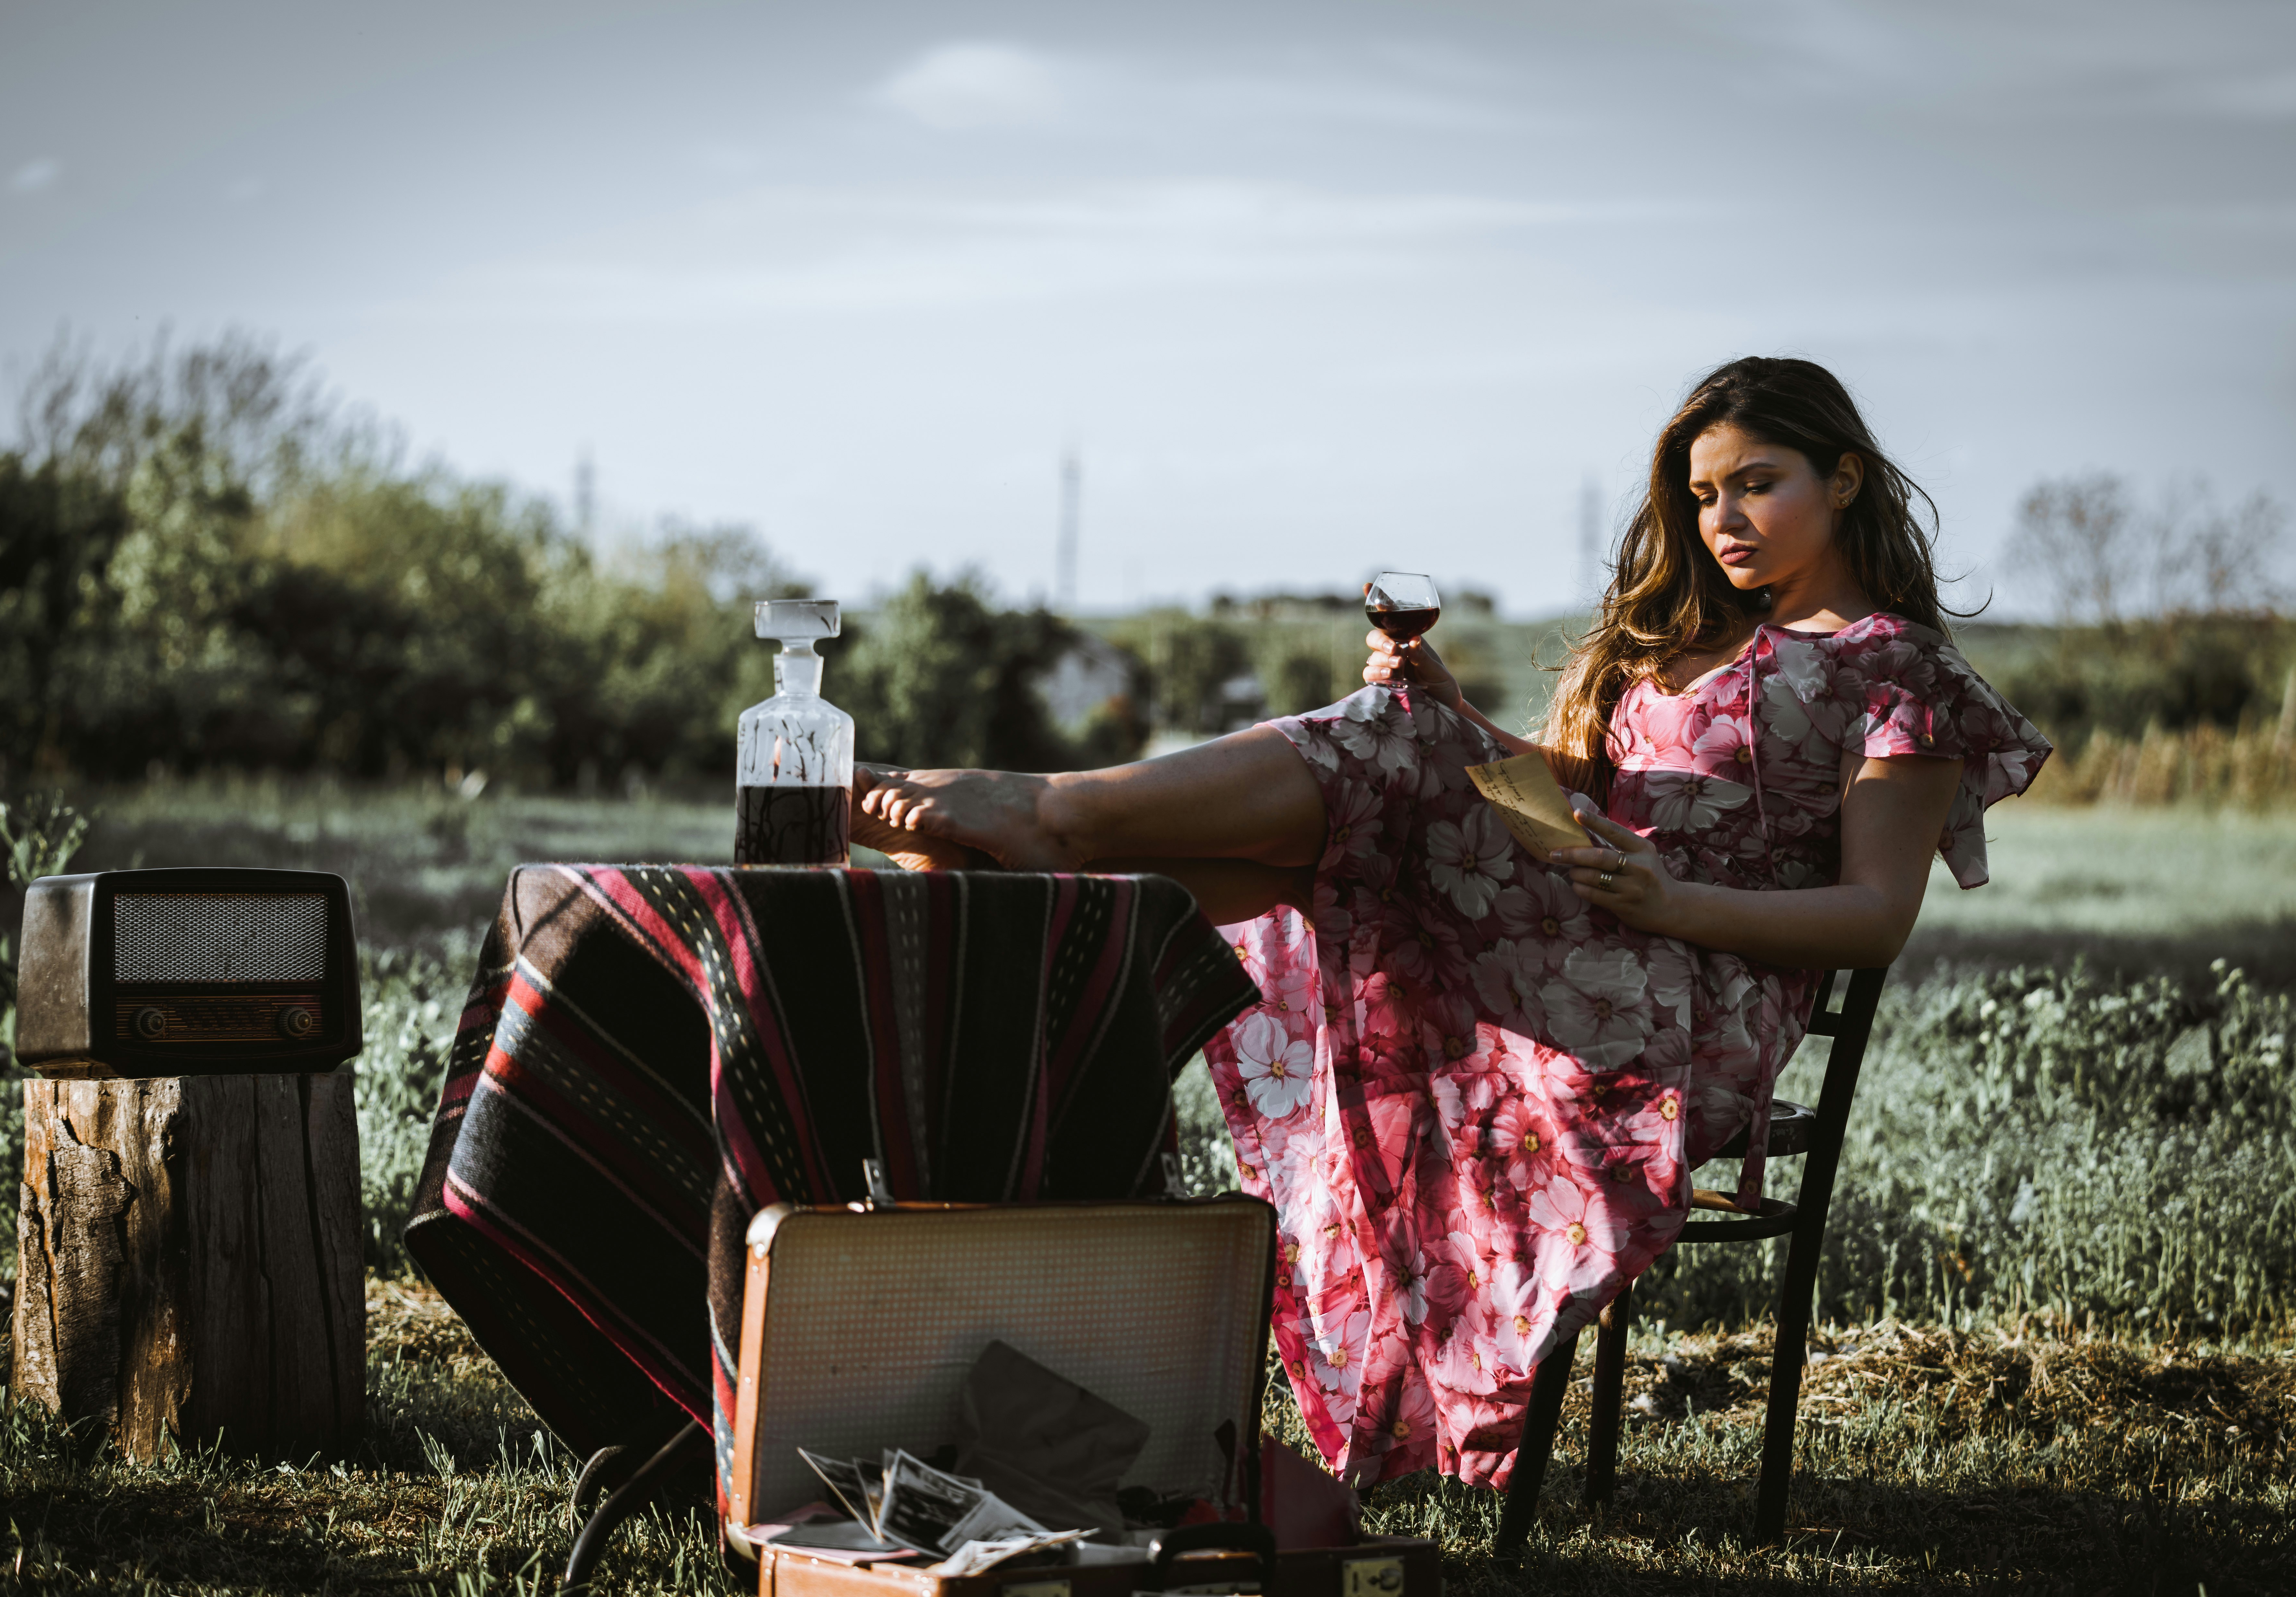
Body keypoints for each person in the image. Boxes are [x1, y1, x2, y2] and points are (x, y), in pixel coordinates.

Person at [853, 357, 2051, 1489]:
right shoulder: (1689, 640)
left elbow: (1874, 917)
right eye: (1699, 496)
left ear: (1842, 479)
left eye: (1756, 484)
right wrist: (1464, 718)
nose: (1722, 519)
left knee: (1380, 774)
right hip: (1578, 930)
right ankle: (1056, 865)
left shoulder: (1898, 674)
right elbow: (1581, 799)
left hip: (1683, 1006)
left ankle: (1051, 839)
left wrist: (1674, 902)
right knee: (1395, 743)